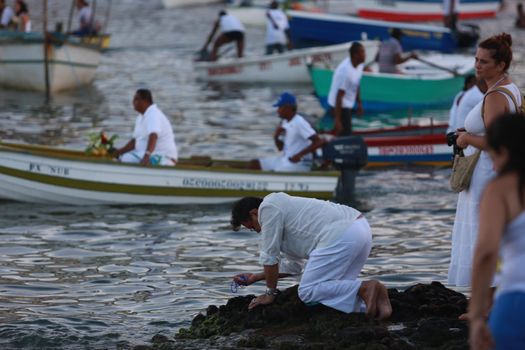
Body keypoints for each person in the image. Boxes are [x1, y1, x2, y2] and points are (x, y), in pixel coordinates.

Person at [231, 193, 392, 320]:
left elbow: (269, 257)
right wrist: (255, 277)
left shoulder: (268, 207)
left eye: (252, 227)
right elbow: (295, 266)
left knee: (307, 291)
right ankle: (378, 303)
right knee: (331, 294)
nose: (257, 231)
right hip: (359, 228)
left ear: (254, 213)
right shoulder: (285, 216)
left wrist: (270, 294)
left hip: (340, 233)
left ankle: (365, 287)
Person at [448, 33, 522, 287]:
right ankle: (492, 295)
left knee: (482, 232)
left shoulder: (494, 96)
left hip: (485, 173)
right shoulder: (510, 88)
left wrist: (466, 139)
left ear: (500, 64)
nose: (477, 65)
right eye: (476, 59)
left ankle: (484, 300)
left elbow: (495, 142)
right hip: (497, 171)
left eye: (484, 61)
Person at [468, 114, 525, 350]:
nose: (494, 165)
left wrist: (478, 316)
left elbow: (486, 253)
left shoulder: (500, 189)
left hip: (516, 301)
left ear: (503, 150)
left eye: (493, 156)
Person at [250, 92, 323, 172]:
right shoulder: (284, 122)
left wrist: (299, 155)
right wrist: (276, 136)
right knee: (254, 164)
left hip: (299, 163)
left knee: (276, 171)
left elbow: (318, 141)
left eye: (279, 107)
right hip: (285, 160)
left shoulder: (299, 122)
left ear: (287, 108)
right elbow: (280, 148)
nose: (277, 110)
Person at [114, 89, 178, 166]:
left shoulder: (153, 113)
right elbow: (135, 142)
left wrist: (147, 155)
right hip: (150, 154)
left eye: (136, 99)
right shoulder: (140, 117)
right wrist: (119, 152)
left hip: (165, 157)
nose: (133, 102)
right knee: (120, 157)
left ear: (145, 101)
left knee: (126, 158)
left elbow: (153, 136)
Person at [327, 42, 366, 136]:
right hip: (338, 106)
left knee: (346, 132)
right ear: (356, 55)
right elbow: (339, 96)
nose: (365, 55)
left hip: (348, 103)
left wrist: (359, 104)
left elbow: (356, 83)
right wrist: (337, 120)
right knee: (345, 134)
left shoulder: (360, 65)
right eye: (362, 52)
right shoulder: (345, 71)